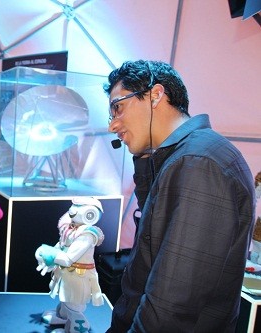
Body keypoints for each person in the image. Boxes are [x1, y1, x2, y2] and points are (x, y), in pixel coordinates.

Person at [104, 59, 255, 332]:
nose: (113, 125)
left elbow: (172, 304)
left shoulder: (199, 162)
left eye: (118, 108)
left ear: (156, 95)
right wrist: (147, 158)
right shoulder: (185, 157)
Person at [35, 197, 105, 333]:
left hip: (78, 277)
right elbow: (62, 246)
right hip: (67, 275)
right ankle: (62, 316)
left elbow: (68, 258)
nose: (73, 210)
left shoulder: (87, 235)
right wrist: (51, 255)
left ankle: (78, 327)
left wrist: (48, 254)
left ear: (89, 213)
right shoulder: (72, 229)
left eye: (78, 206)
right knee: (65, 299)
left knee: (73, 304)